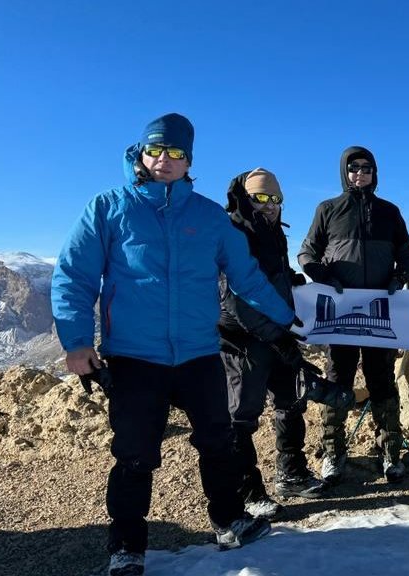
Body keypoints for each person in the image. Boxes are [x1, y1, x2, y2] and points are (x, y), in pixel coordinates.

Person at [51, 114, 295, 576]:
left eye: (176, 153)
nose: (165, 160)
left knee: (218, 441)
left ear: (189, 161)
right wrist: (78, 342)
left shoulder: (208, 216)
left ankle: (229, 522)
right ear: (142, 154)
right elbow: (74, 276)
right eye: (156, 150)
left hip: (199, 352)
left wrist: (283, 318)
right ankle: (127, 547)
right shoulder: (108, 208)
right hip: (134, 356)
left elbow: (245, 277)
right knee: (135, 452)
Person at [297, 146, 409, 485]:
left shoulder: (389, 212)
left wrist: (399, 277)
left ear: (375, 172)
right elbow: (307, 251)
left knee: (382, 381)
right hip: (340, 314)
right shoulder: (329, 209)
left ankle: (390, 452)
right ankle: (334, 454)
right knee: (338, 382)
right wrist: (322, 276)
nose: (360, 173)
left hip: (379, 313)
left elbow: (408, 252)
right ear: (344, 172)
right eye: (353, 168)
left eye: (366, 168)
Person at [218, 168, 325, 521]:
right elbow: (234, 298)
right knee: (241, 416)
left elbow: (267, 277)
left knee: (291, 400)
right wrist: (276, 336)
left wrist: (288, 279)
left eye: (275, 199)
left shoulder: (271, 232)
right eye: (260, 198)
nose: (269, 205)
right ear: (246, 199)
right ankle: (248, 492)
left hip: (275, 332)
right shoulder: (231, 231)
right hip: (241, 337)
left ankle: (291, 473)